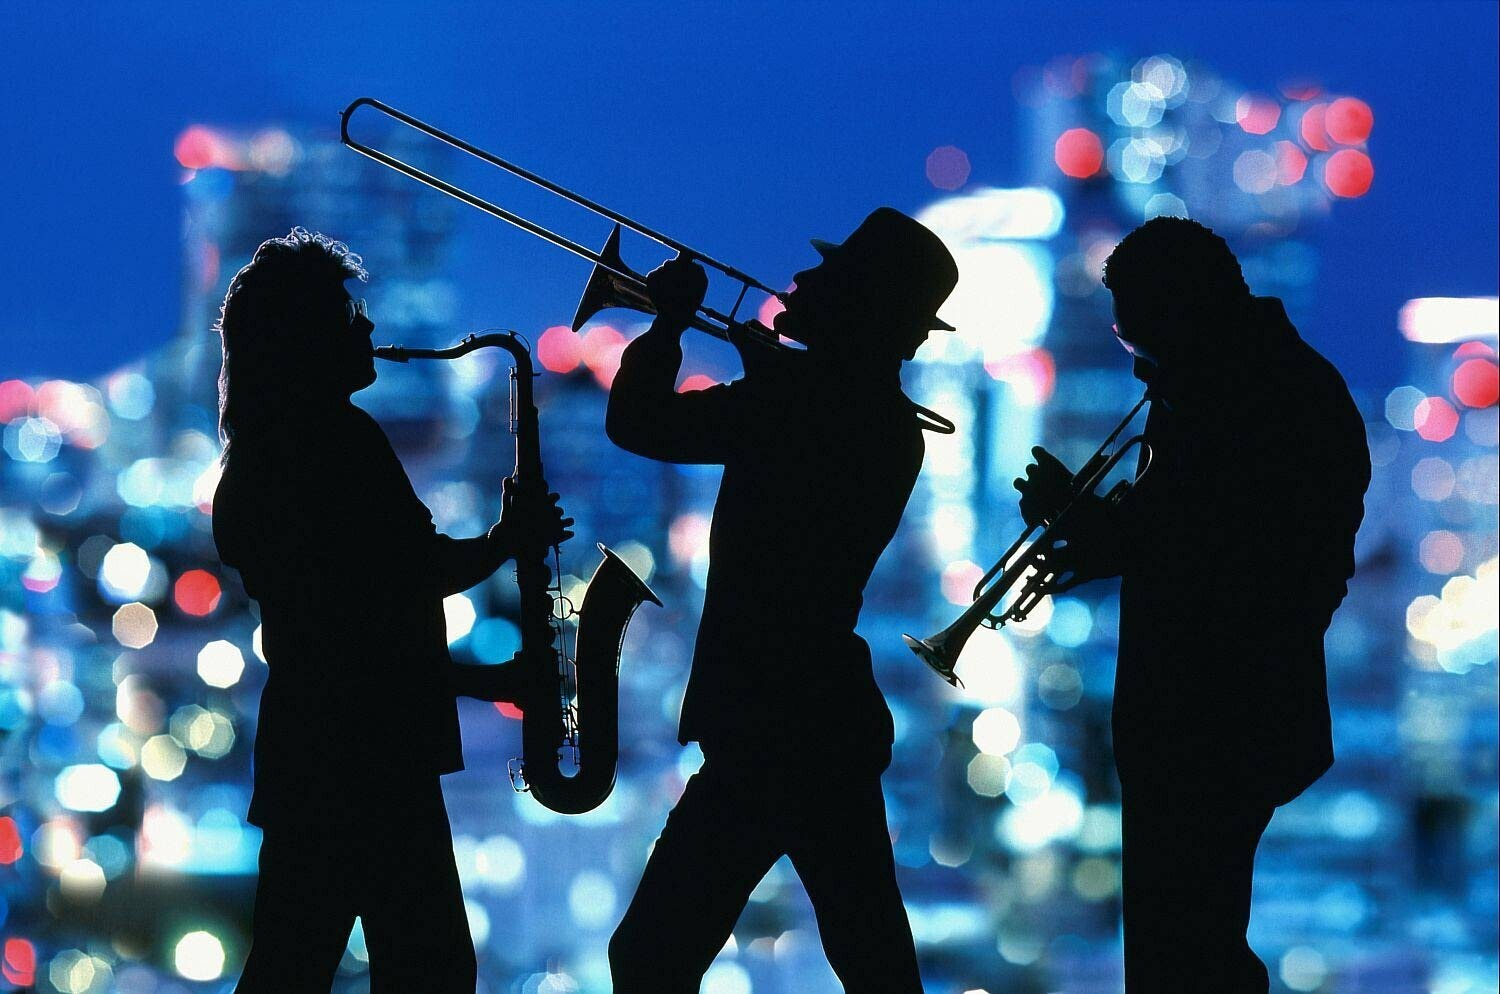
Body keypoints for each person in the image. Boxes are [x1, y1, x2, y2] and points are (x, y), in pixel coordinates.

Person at [605, 208, 958, 993]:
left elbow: (639, 422)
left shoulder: (799, 401)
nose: (797, 279)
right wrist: (772, 374)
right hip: (820, 724)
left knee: (651, 958)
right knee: (873, 965)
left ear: (857, 304)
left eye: (825, 276)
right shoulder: (871, 418)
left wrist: (669, 325)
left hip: (771, 727)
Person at [1014, 217, 1370, 992]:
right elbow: (1192, 540)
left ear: (1183, 310)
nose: (1136, 359)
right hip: (1198, 717)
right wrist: (1101, 539)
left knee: (1189, 955)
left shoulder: (1265, 397)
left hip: (1217, 716)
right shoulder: (1222, 385)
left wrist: (1105, 536)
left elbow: (1256, 560)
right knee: (1185, 949)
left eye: (1137, 334)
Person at [212, 228, 571, 993]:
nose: (369, 326)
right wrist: (505, 545)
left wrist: (498, 569)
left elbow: (363, 614)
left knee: (296, 967)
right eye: (349, 314)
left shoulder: (270, 453)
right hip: (370, 761)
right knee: (426, 971)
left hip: (322, 757)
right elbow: (391, 594)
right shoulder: (335, 442)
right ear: (308, 335)